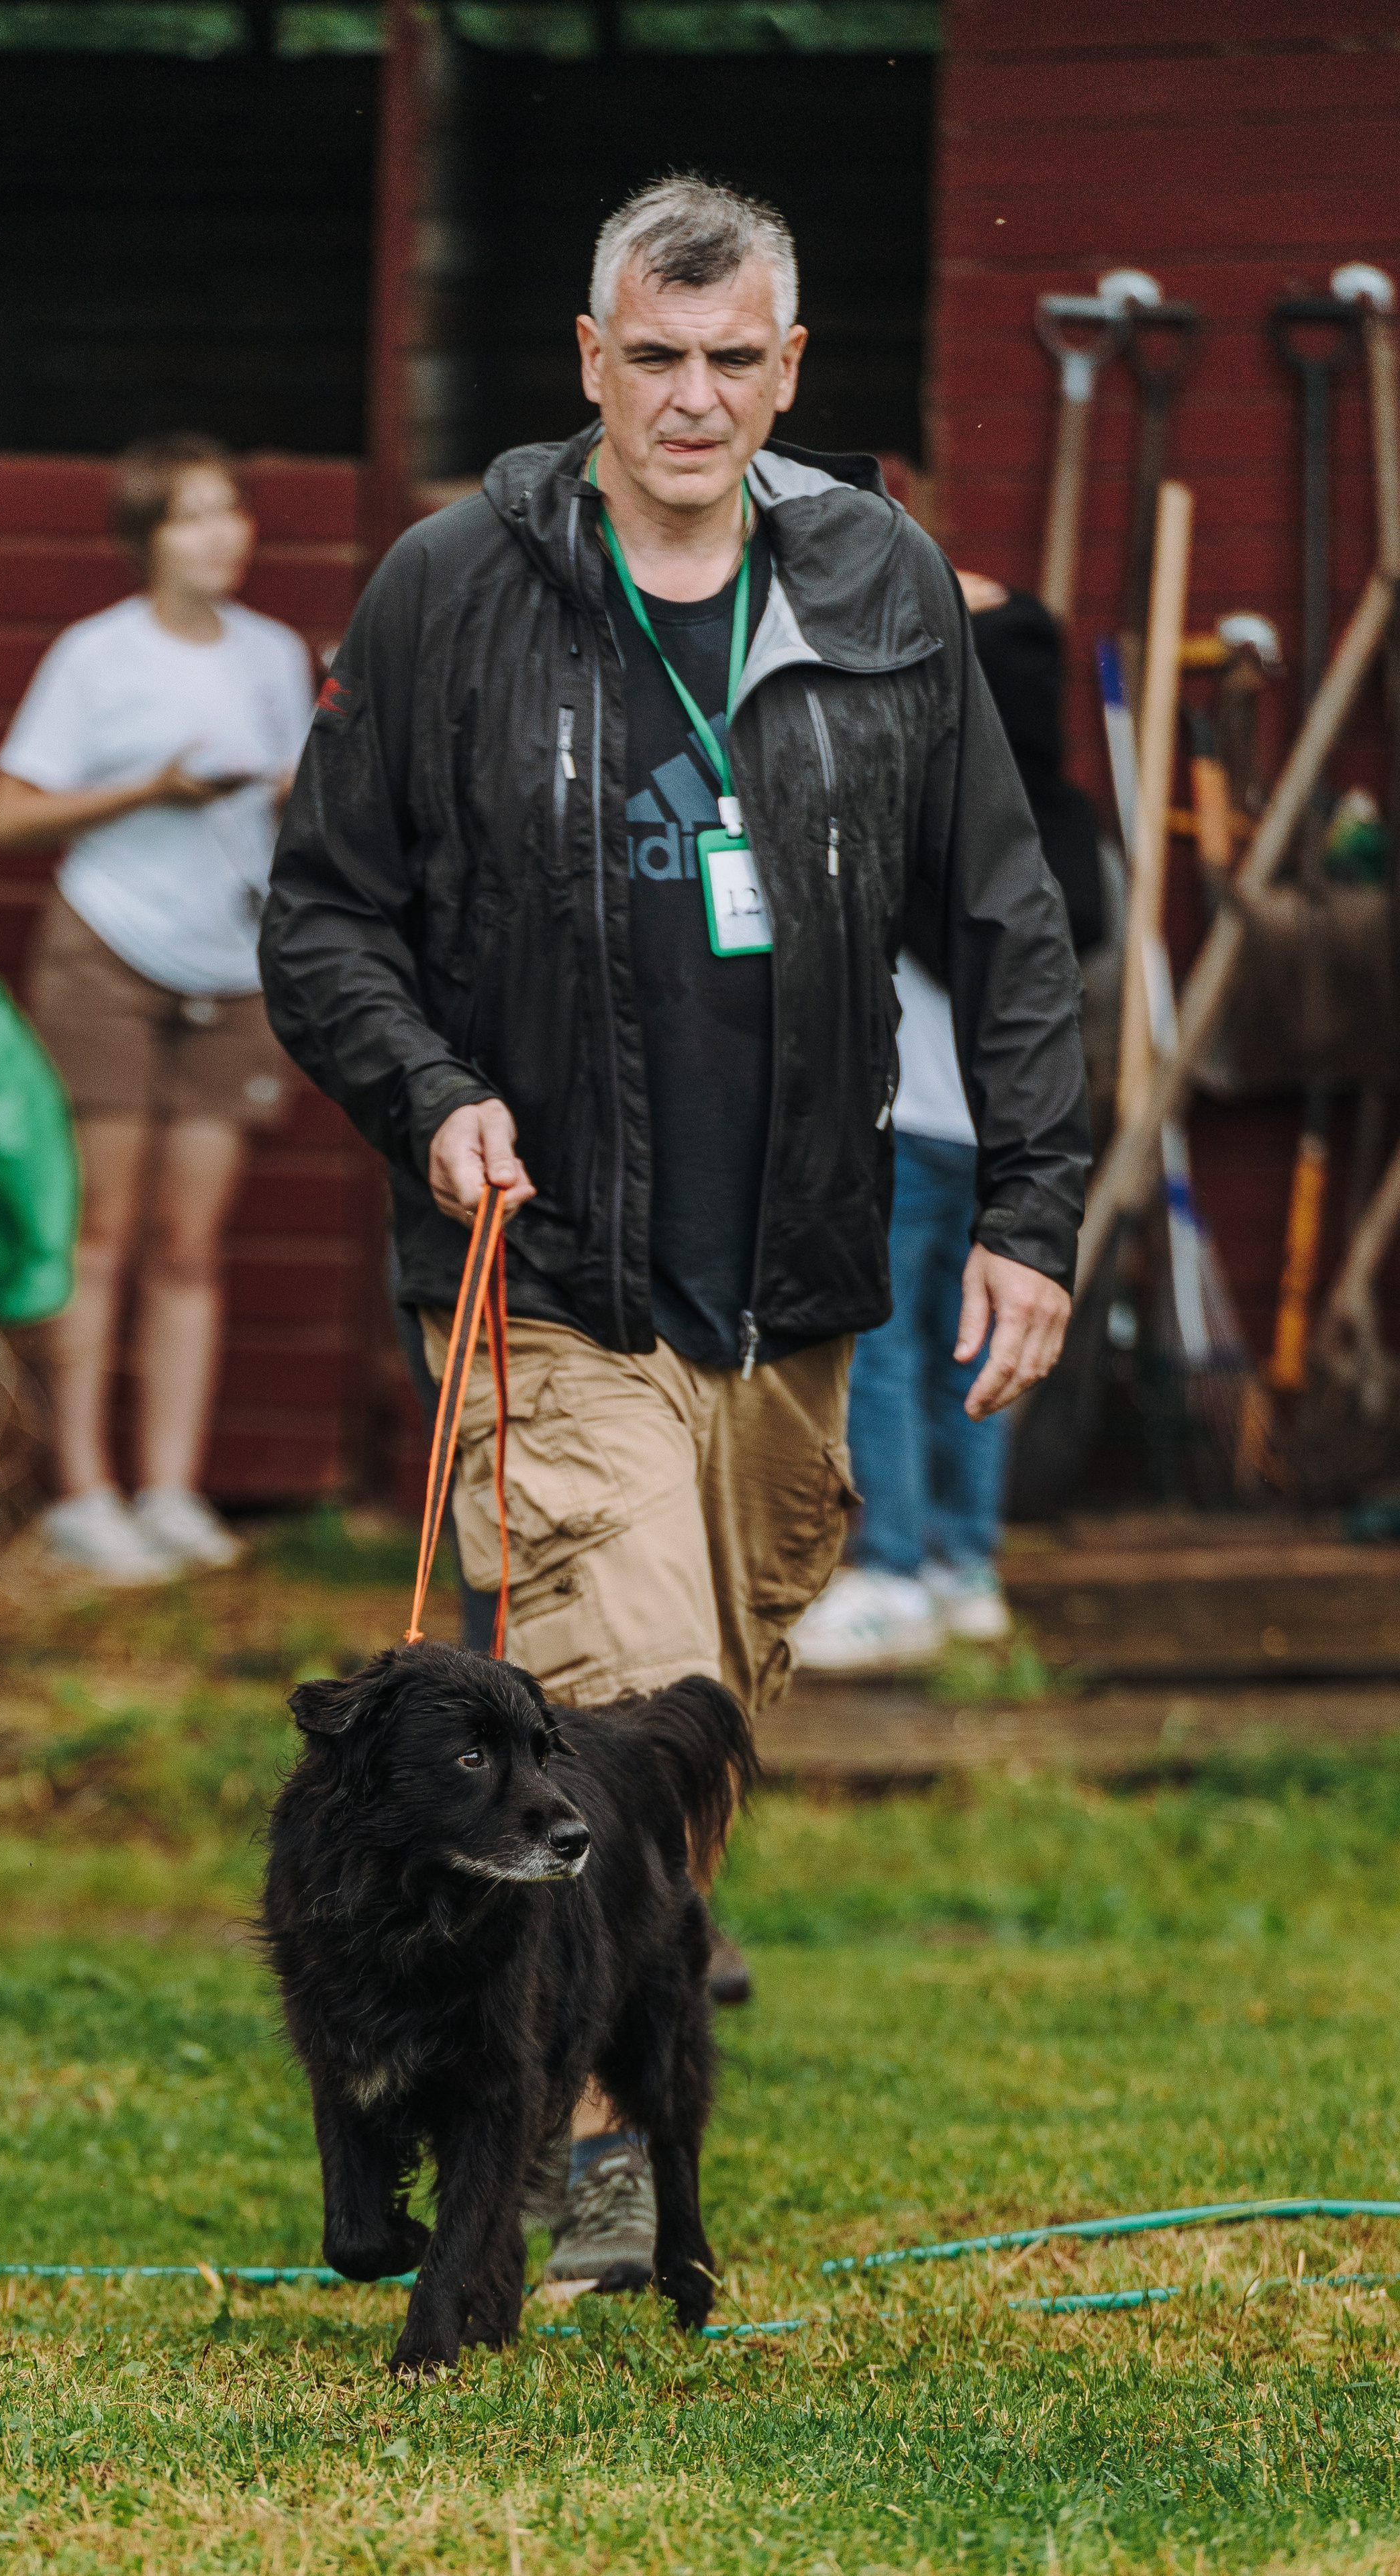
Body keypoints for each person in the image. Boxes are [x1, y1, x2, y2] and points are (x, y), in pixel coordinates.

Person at [259, 179, 1088, 2287]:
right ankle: (594, 2157)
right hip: (549, 1281)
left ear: (792, 372)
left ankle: (550, 2066)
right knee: (624, 1684)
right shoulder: (458, 587)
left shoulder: (886, 580)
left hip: (792, 1297)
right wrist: (434, 1095)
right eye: (657, 357)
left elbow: (1006, 916)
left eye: (737, 361)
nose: (694, 399)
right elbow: (324, 915)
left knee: (693, 1737)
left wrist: (1032, 1205)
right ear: (590, 358)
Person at [0, 434, 315, 1583]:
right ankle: (83, 1490)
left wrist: (287, 792)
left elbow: (300, 804)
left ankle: (171, 1489)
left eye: (233, 512)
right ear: (146, 539)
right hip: (109, 957)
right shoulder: (95, 656)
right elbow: (8, 817)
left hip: (231, 967)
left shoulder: (276, 655)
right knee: (103, 1236)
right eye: (193, 516)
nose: (223, 535)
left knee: (189, 1247)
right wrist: (155, 789)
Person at [793, 572, 1105, 1670]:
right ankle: (967, 1567)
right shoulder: (1066, 833)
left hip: (918, 1118)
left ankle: (896, 1569)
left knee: (885, 1348)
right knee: (984, 1346)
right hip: (1016, 1137)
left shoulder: (937, 815)